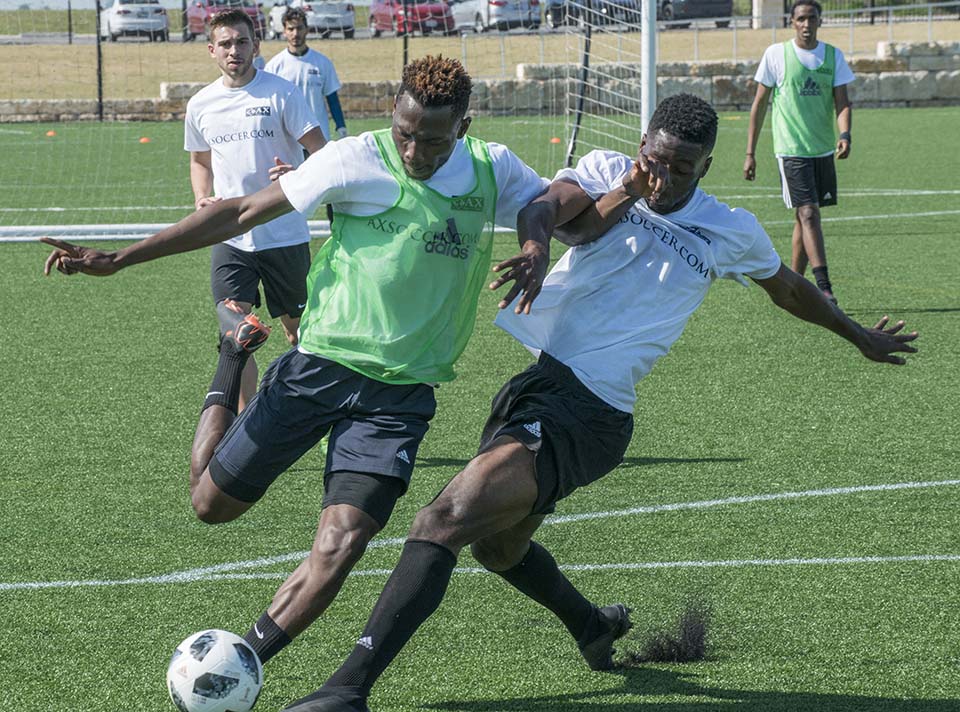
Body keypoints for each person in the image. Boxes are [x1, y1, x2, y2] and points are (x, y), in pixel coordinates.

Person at [282, 93, 917, 712]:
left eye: (682, 169)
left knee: (441, 519)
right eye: (658, 160)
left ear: (706, 168)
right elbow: (547, 211)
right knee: (497, 549)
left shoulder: (731, 229)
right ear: (643, 144)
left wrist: (858, 335)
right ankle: (592, 625)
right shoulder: (607, 172)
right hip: (535, 386)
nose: (664, 178)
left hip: (593, 412)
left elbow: (788, 290)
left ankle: (347, 689)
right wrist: (538, 245)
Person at [42, 56, 579, 678]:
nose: (414, 148)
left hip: (398, 399)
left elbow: (554, 197)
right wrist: (121, 258)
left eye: (432, 139)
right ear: (393, 115)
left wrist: (536, 238)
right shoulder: (355, 157)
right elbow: (241, 212)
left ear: (464, 125)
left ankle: (242, 663)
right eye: (405, 130)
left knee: (343, 543)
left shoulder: (490, 167)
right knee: (210, 505)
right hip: (316, 368)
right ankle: (231, 358)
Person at [186, 8, 326, 409]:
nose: (234, 50)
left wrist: (298, 171)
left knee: (300, 333)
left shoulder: (281, 92)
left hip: (283, 233)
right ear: (212, 50)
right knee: (235, 334)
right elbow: (199, 160)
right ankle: (248, 424)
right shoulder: (201, 104)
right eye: (226, 44)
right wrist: (202, 197)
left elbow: (322, 152)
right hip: (230, 235)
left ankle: (312, 409)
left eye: (242, 42)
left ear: (256, 46)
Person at [744, 0, 854, 305]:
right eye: (801, 18)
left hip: (822, 150)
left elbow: (842, 101)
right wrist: (749, 153)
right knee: (808, 213)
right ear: (792, 22)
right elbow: (759, 105)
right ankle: (824, 288)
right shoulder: (776, 55)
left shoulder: (833, 56)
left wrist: (845, 134)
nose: (807, 24)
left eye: (812, 18)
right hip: (790, 150)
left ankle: (792, 285)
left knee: (803, 218)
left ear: (820, 21)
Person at [265, 8, 348, 142]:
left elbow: (332, 99)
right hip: (288, 140)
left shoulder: (322, 63)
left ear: (307, 29)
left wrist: (341, 126)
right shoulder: (274, 66)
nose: (295, 33)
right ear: (284, 31)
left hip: (318, 137)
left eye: (299, 28)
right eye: (291, 29)